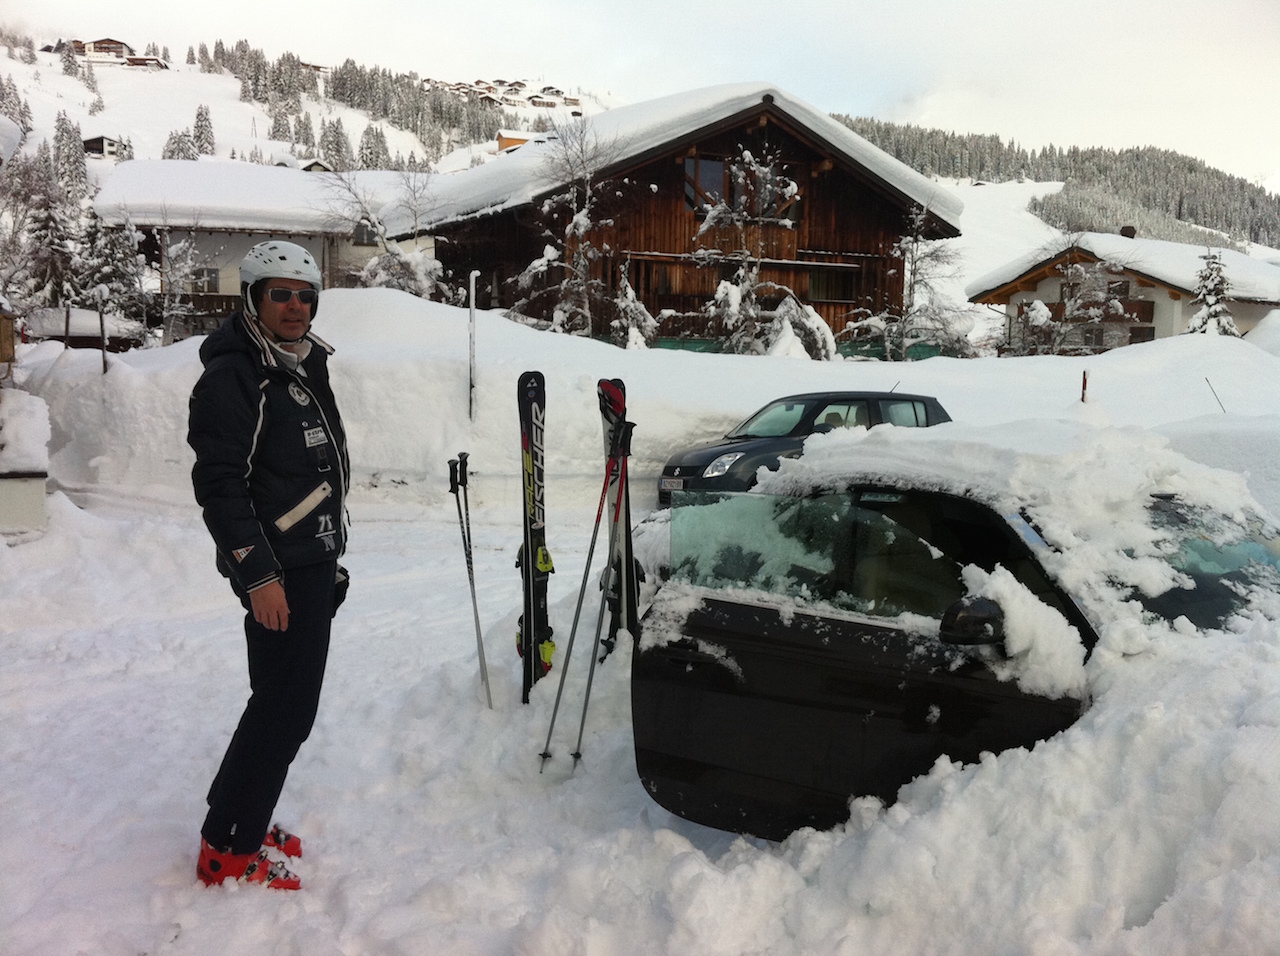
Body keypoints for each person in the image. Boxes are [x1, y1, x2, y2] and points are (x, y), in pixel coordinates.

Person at [187, 240, 350, 890]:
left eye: (304, 294)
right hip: (276, 573)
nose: (294, 305)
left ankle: (234, 818)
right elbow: (221, 484)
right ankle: (230, 847)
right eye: (279, 293)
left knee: (274, 703)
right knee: (286, 710)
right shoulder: (237, 374)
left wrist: (329, 555)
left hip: (308, 564)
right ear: (253, 298)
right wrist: (259, 575)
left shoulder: (301, 364)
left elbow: (312, 472)